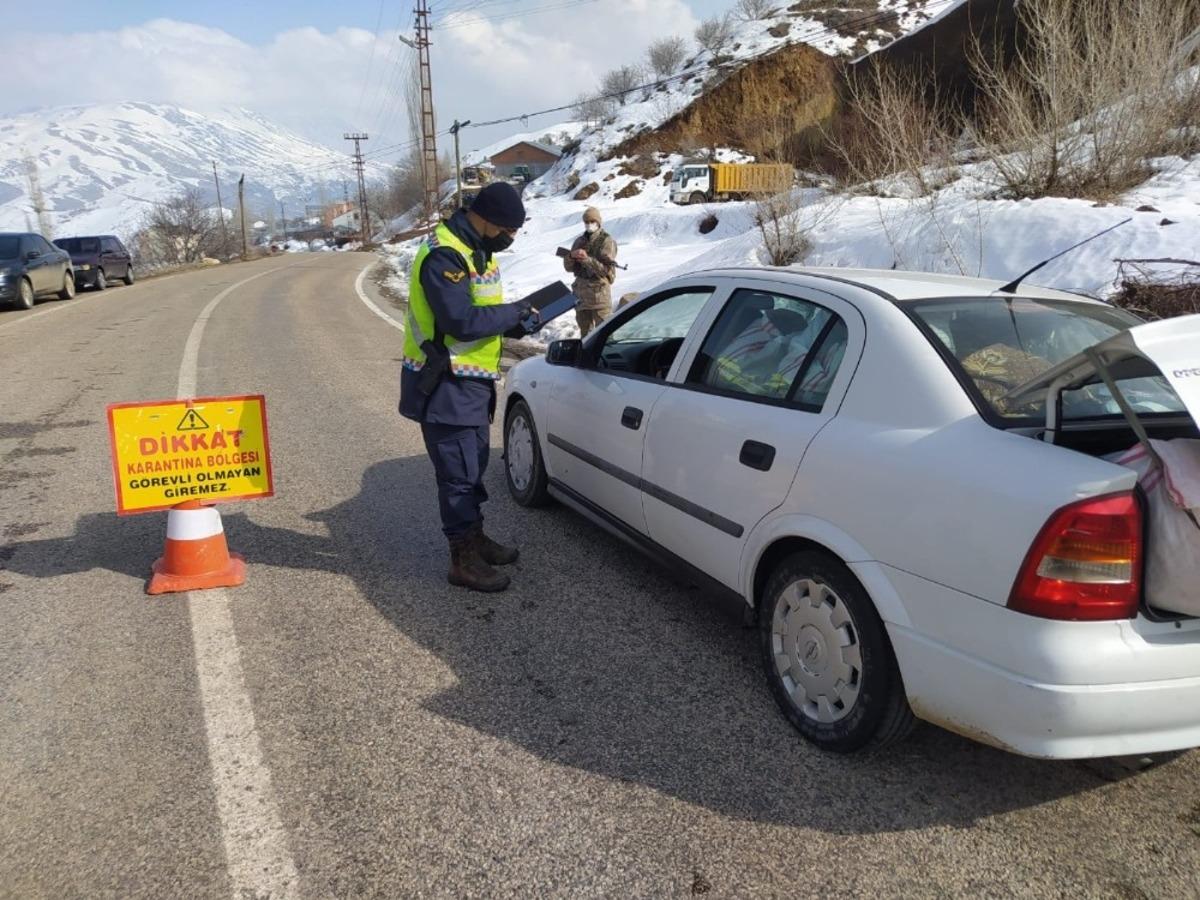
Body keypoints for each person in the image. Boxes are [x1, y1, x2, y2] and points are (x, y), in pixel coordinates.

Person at [399, 182, 540, 593]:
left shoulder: (477, 249)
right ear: (488, 220)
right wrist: (510, 312)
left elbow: (479, 311)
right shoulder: (445, 254)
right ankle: (461, 560)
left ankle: (474, 538)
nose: (511, 238)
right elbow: (460, 321)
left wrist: (517, 319)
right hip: (446, 384)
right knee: (458, 475)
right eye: (508, 230)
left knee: (473, 467)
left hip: (471, 383)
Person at [563, 206, 618, 338]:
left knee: (605, 336)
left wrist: (587, 259)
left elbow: (605, 270)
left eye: (592, 221)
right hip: (581, 296)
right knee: (585, 337)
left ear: (598, 222)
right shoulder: (579, 241)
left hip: (599, 297)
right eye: (586, 222)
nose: (589, 224)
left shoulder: (606, 241)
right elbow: (568, 268)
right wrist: (571, 256)